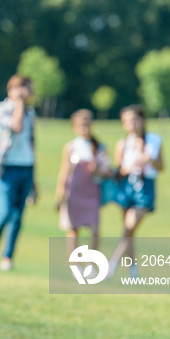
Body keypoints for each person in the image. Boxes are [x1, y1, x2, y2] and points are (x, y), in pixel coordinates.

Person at [0, 74, 37, 272]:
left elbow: (31, 142)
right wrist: (18, 102)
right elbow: (16, 127)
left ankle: (7, 257)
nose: (31, 92)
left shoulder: (31, 112)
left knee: (18, 215)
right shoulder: (1, 109)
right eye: (27, 88)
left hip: (26, 166)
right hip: (8, 166)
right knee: (4, 212)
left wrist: (34, 180)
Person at [108, 104, 164, 278]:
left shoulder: (154, 140)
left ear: (142, 120)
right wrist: (128, 167)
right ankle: (133, 271)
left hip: (145, 185)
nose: (131, 124)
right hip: (127, 186)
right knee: (129, 231)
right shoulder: (123, 144)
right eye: (127, 121)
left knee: (129, 227)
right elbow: (118, 170)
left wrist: (149, 159)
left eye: (134, 120)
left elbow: (161, 166)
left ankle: (113, 263)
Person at [55, 109, 112, 256]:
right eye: (80, 125)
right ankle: (75, 263)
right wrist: (60, 194)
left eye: (87, 124)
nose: (84, 128)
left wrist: (98, 170)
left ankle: (92, 263)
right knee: (73, 228)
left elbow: (108, 171)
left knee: (94, 229)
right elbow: (64, 171)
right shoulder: (70, 147)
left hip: (92, 191)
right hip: (74, 191)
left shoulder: (100, 147)